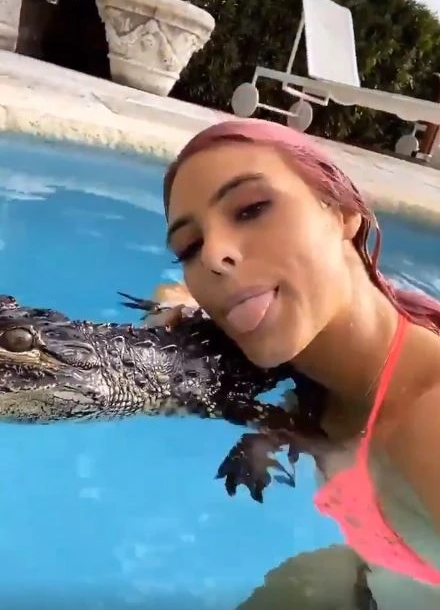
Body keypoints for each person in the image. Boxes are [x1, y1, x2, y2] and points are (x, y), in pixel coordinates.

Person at [150, 118, 440, 609]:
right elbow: (174, 291)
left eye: (252, 209)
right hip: (374, 580)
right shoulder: (320, 362)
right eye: (190, 247)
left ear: (342, 213)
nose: (214, 255)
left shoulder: (429, 418)